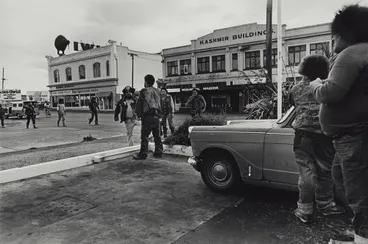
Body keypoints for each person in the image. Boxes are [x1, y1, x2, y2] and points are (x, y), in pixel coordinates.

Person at [309, 5, 368, 244]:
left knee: (359, 193)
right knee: (341, 178)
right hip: (352, 136)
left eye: (334, 33)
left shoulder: (352, 53)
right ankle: (360, 233)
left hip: (354, 136)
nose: (331, 38)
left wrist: (315, 85)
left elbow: (330, 93)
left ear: (345, 31)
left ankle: (362, 238)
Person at [289, 54, 345, 224]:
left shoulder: (295, 89)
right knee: (325, 172)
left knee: (306, 174)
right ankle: (325, 205)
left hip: (302, 137)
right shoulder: (327, 87)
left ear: (303, 69)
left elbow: (293, 105)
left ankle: (304, 210)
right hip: (324, 137)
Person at [133, 74, 163, 160]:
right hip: (156, 116)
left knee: (145, 136)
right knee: (157, 135)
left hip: (148, 116)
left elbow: (139, 104)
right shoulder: (158, 91)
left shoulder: (144, 91)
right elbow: (160, 103)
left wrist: (137, 114)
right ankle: (158, 151)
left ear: (146, 82)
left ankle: (143, 154)